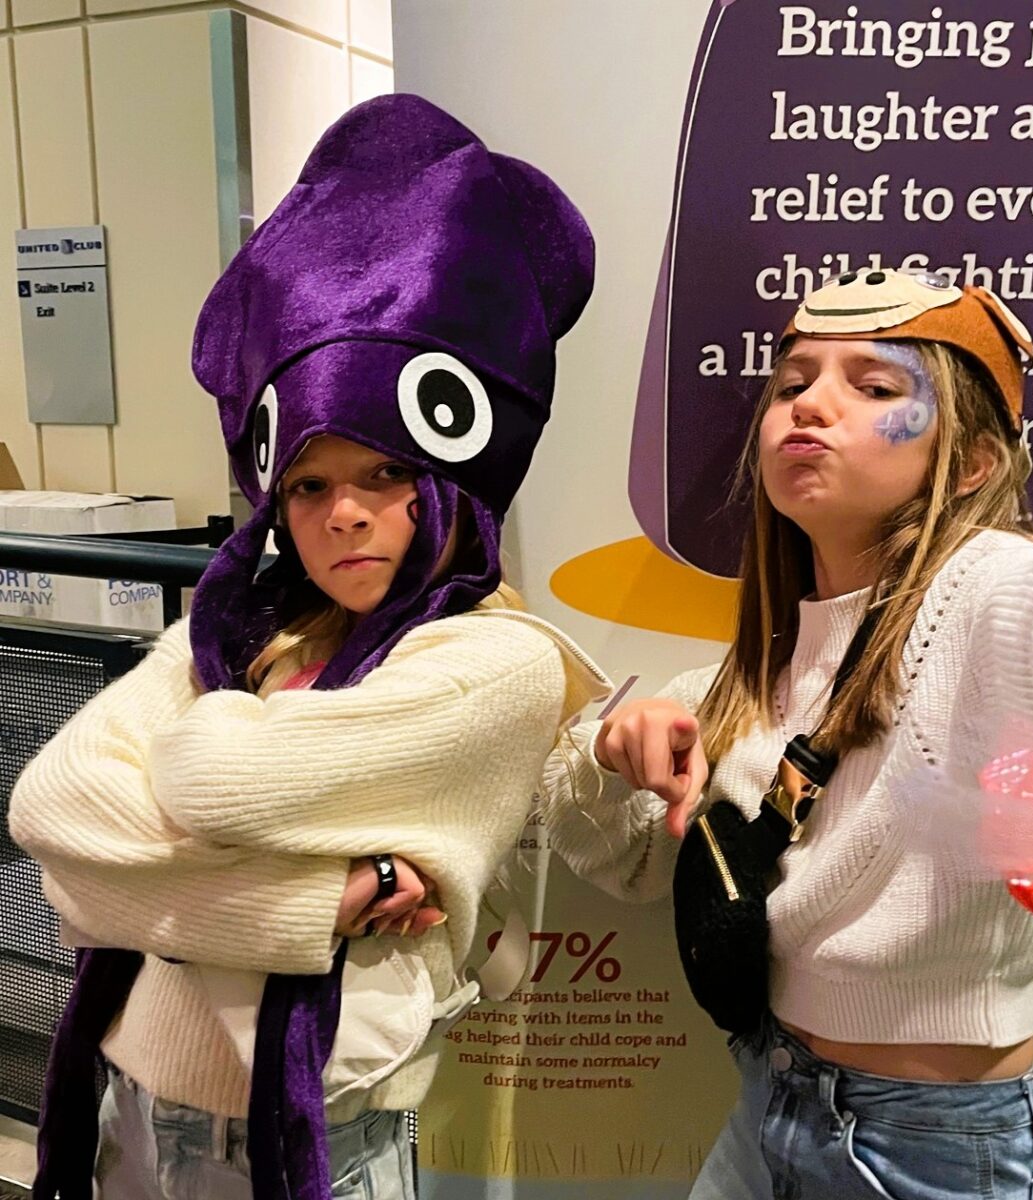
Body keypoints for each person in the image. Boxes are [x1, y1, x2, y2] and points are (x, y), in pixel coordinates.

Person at [9, 93, 607, 1200]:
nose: (345, 514)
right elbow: (52, 814)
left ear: (448, 481)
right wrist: (319, 902)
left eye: (385, 475)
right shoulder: (256, 626)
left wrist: (164, 809)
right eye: (312, 484)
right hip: (131, 1095)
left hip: (317, 1136)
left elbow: (215, 777)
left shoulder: (495, 661)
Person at [541, 268, 1033, 1200]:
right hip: (770, 1095)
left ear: (970, 463)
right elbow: (612, 854)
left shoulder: (975, 594)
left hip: (917, 1145)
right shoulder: (766, 663)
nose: (810, 405)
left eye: (878, 387)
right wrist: (617, 747)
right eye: (791, 383)